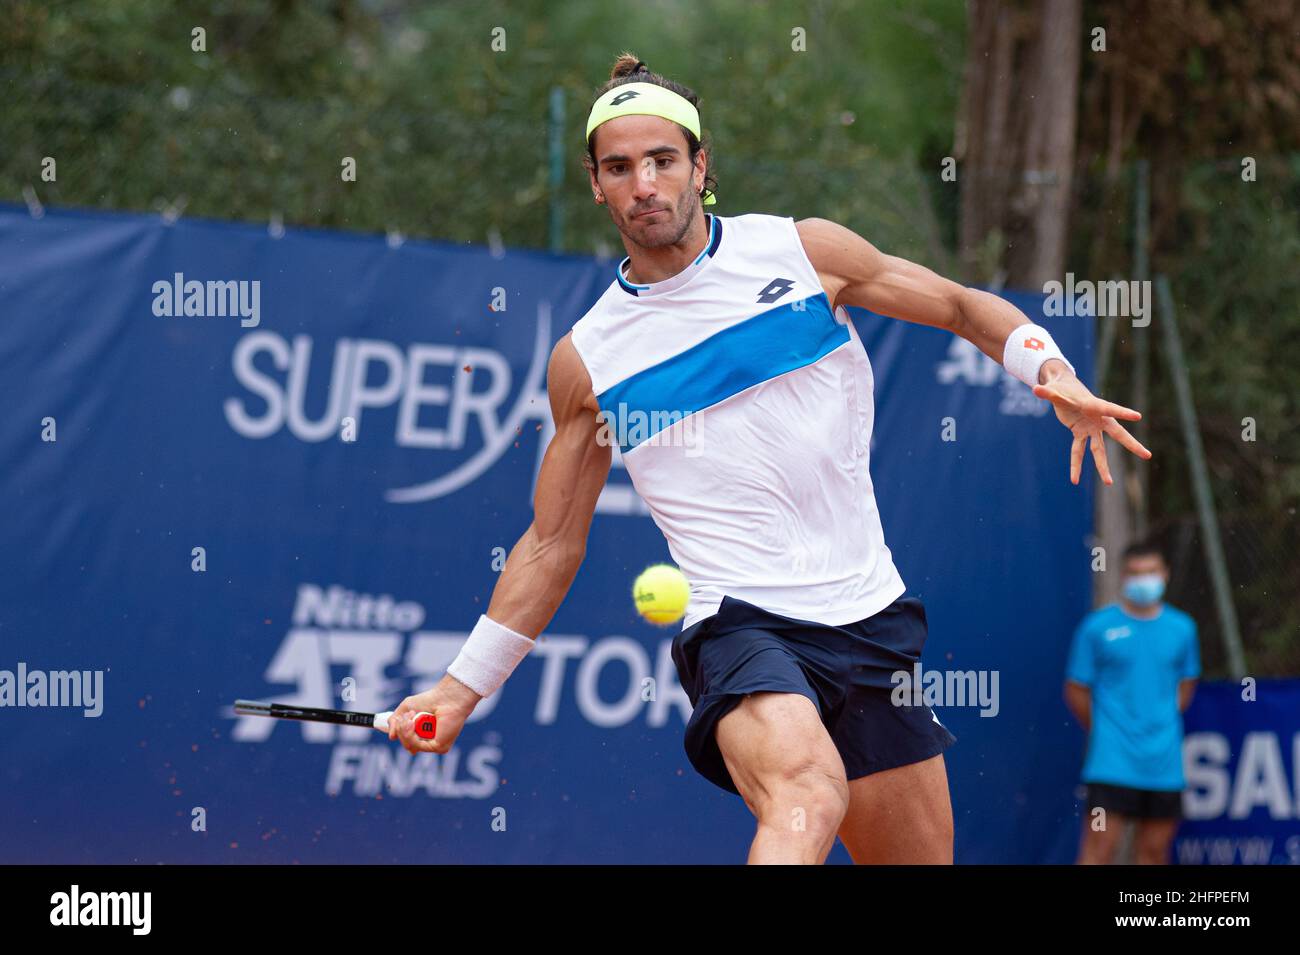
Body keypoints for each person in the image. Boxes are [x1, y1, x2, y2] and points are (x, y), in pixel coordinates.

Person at [388, 54, 1152, 864]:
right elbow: (550, 545)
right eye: (619, 167)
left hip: (870, 618)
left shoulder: (804, 255)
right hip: (739, 624)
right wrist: (458, 688)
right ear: (596, 183)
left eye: (662, 160)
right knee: (806, 791)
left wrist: (1053, 372)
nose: (643, 183)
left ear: (700, 165)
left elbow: (964, 308)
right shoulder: (589, 362)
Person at [1065, 540, 1201, 864]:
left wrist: (1155, 722)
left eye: (1151, 572)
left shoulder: (1183, 629)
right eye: (1135, 573)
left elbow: (1186, 686)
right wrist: (1109, 732)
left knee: (1154, 853)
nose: (1144, 580)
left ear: (1165, 574)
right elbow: (1075, 690)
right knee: (1099, 852)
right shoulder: (1096, 628)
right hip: (1111, 764)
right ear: (1123, 577)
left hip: (1164, 766)